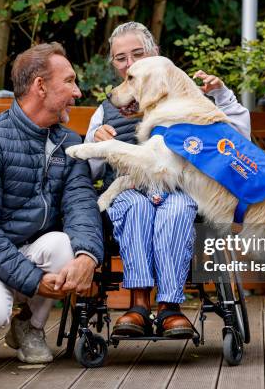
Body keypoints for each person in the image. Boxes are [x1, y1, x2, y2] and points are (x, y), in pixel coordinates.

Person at [85, 22, 251, 338]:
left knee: (176, 208)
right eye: (121, 58)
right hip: (128, 191)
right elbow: (89, 172)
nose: (130, 63)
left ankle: (170, 307)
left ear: (156, 55)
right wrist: (95, 140)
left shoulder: (188, 98)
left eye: (138, 54)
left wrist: (223, 97)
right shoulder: (107, 109)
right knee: (135, 206)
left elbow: (238, 142)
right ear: (114, 65)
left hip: (181, 191)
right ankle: (138, 304)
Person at [0, 42, 103, 365]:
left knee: (63, 244)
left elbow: (82, 205)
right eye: (70, 81)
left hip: (34, 250)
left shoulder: (69, 144)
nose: (77, 92)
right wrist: (34, 281)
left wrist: (88, 256)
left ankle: (28, 326)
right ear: (40, 87)